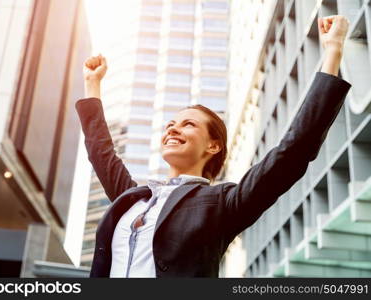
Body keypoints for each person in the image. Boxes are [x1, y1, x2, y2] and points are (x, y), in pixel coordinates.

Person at [76, 15, 352, 277]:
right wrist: (93, 84)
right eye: (171, 124)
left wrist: (333, 50)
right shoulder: (134, 198)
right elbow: (102, 153)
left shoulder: (222, 203)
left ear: (213, 146)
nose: (173, 128)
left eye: (188, 124)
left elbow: (293, 151)